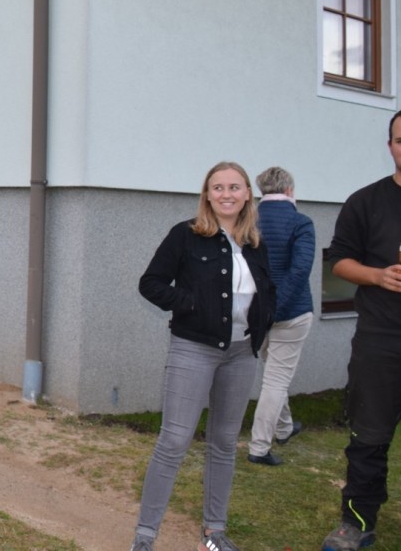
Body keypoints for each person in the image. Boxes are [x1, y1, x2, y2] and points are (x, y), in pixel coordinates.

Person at [129, 162, 275, 551]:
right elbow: (151, 284)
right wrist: (191, 303)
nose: (226, 194)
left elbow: (267, 290)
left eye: (234, 187)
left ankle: (213, 533)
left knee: (224, 443)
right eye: (218, 187)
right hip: (193, 348)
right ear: (207, 195)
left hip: (241, 354)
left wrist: (264, 322)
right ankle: (145, 536)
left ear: (248, 194)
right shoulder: (186, 235)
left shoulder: (255, 243)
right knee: (174, 440)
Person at [321, 105, 401, 551]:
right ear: (390, 146)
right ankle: (357, 523)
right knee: (369, 437)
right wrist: (378, 275)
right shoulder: (366, 201)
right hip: (381, 336)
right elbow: (339, 261)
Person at [246, 166, 316, 466]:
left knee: (275, 372)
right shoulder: (301, 222)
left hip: (256, 313)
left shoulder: (248, 221)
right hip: (293, 313)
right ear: (289, 190)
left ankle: (285, 428)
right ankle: (259, 448)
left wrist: (264, 310)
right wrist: (276, 307)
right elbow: (300, 271)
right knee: (276, 379)